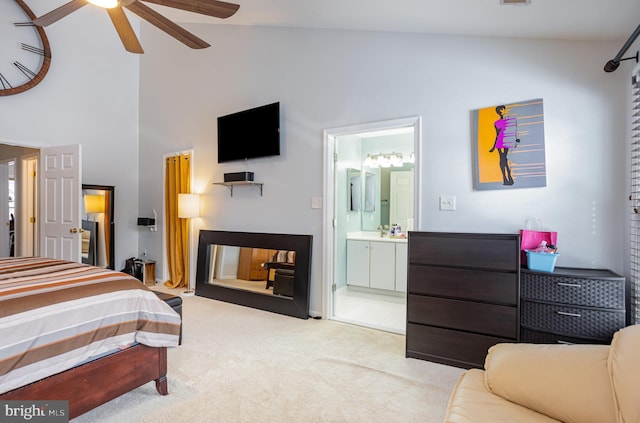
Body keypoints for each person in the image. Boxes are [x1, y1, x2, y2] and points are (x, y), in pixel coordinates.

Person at [489, 105, 520, 185]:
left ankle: (507, 177)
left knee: (504, 159)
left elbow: (514, 132)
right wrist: (493, 146)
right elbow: (497, 135)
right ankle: (506, 177)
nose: (504, 111)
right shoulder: (497, 122)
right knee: (503, 159)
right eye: (503, 110)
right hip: (501, 142)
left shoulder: (510, 121)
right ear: (500, 111)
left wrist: (516, 139)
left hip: (506, 141)